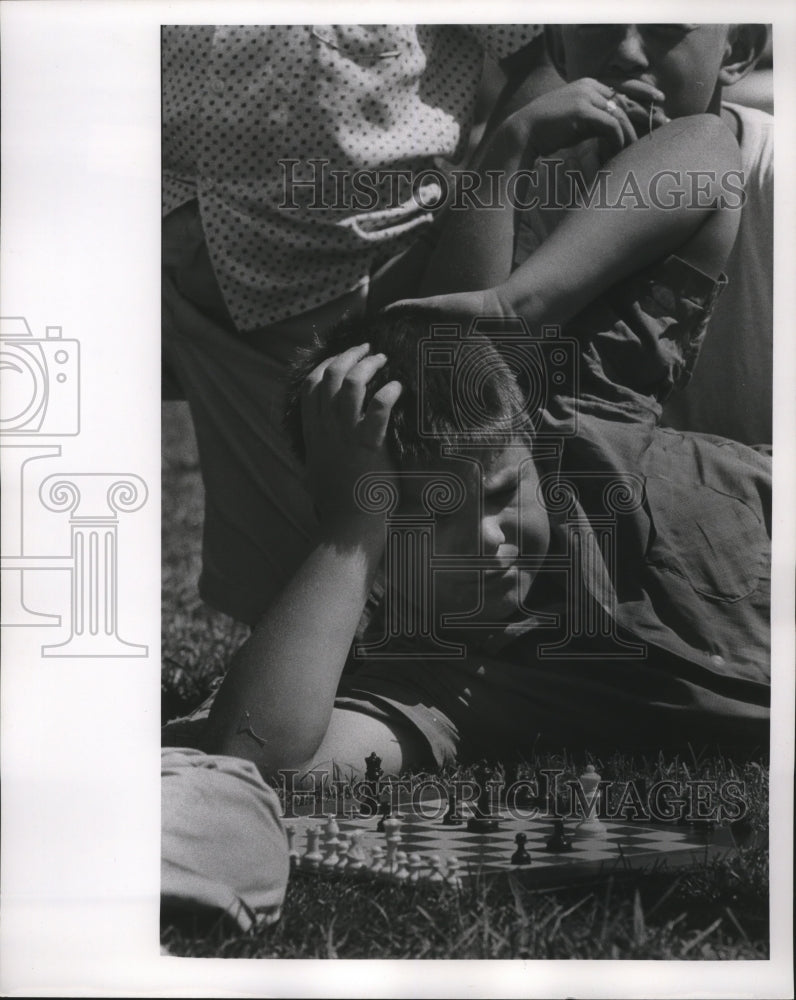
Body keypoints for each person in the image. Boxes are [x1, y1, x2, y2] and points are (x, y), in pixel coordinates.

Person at [191, 103, 770, 781]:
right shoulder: (441, 679)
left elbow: (708, 151)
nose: (490, 541)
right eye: (433, 516)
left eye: (501, 493)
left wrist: (514, 300)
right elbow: (255, 757)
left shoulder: (582, 418)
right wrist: (346, 530)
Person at [162, 24, 543, 626]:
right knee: (273, 556)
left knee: (390, 540)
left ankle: (375, 683)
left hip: (363, 276)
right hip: (197, 262)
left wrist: (483, 188)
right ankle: (291, 670)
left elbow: (543, 56)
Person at [485, 23, 772, 446]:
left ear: (738, 51)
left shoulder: (774, 173)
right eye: (598, 26)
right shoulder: (539, 178)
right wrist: (512, 143)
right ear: (560, 50)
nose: (628, 53)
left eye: (665, 28)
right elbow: (449, 370)